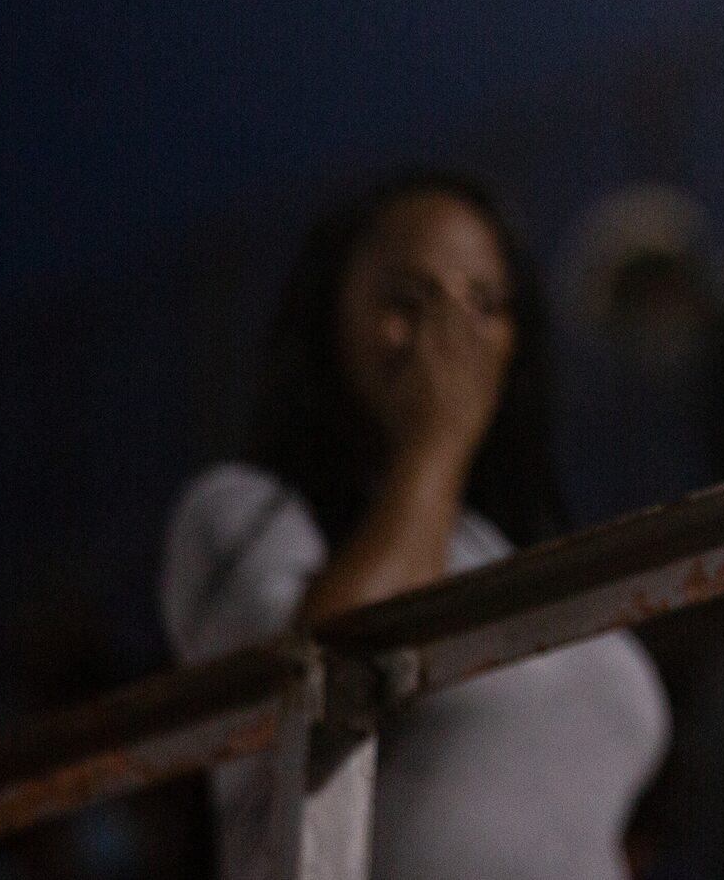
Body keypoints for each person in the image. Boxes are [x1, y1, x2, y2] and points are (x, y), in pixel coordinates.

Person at [160, 172, 668, 880]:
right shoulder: (243, 511)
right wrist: (437, 439)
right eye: (411, 300)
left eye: (483, 304)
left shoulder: (503, 549)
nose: (448, 336)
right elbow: (315, 685)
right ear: (328, 316)